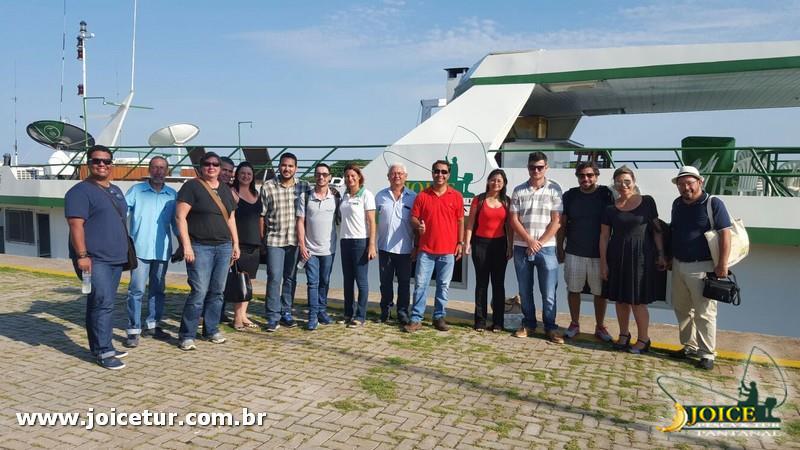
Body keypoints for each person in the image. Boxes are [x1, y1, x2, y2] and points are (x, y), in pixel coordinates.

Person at [65, 145, 130, 369]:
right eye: (96, 161)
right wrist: (82, 255)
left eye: (106, 161)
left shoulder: (116, 190)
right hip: (94, 259)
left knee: (102, 303)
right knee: (102, 303)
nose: (102, 164)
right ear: (89, 164)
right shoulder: (79, 192)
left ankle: (102, 345)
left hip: (115, 258)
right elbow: (76, 225)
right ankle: (103, 351)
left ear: (111, 164)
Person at [175, 152, 239, 350]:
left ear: (219, 168)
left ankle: (211, 329)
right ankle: (187, 334)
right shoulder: (191, 187)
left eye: (215, 164)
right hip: (200, 246)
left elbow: (231, 219)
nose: (211, 167)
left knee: (218, 291)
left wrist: (236, 244)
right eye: (207, 164)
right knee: (199, 292)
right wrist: (186, 245)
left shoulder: (225, 189)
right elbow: (180, 217)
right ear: (201, 167)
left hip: (223, 246)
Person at [669, 165, 731, 370]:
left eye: (689, 183)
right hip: (679, 263)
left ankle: (707, 353)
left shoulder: (713, 203)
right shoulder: (677, 203)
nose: (685, 187)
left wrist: (722, 264)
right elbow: (675, 230)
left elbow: (725, 234)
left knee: (704, 312)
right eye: (681, 184)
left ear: (700, 182)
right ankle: (690, 346)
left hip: (703, 266)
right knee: (682, 308)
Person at [599, 166, 667, 354]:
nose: (623, 185)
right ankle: (624, 334)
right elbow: (604, 237)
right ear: (614, 184)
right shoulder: (610, 208)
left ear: (634, 182)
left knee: (638, 301)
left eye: (627, 181)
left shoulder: (647, 202)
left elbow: (657, 230)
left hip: (641, 256)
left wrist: (661, 253)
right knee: (620, 300)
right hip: (617, 256)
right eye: (619, 182)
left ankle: (644, 339)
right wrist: (603, 263)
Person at [509, 152, 564, 343]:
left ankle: (550, 327)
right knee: (525, 291)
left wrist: (538, 242)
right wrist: (529, 241)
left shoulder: (555, 189)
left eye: (540, 167)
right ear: (528, 168)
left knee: (548, 292)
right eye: (533, 167)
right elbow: (513, 220)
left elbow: (556, 221)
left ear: (546, 167)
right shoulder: (518, 190)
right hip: (521, 247)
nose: (536, 170)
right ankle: (529, 324)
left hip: (547, 248)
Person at [556, 162, 615, 342]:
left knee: (600, 293)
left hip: (599, 254)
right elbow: (562, 224)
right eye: (581, 175)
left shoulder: (606, 194)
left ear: (596, 176)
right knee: (573, 290)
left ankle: (600, 326)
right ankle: (574, 323)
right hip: (574, 251)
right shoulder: (570, 196)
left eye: (590, 175)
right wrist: (560, 248)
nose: (586, 179)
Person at [405, 160, 465, 333]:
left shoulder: (456, 196)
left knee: (443, 286)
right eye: (437, 171)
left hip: (447, 251)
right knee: (420, 285)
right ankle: (416, 319)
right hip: (426, 250)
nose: (440, 175)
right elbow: (413, 218)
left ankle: (439, 317)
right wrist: (418, 225)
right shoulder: (422, 195)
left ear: (449, 174)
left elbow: (460, 221)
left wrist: (460, 243)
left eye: (444, 172)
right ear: (432, 173)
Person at [123, 156, 177, 348]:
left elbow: (177, 223)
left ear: (167, 171)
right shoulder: (137, 191)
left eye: (162, 168)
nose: (158, 171)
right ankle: (133, 329)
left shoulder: (172, 195)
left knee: (158, 289)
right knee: (136, 290)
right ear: (149, 169)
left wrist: (184, 244)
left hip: (162, 250)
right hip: (139, 249)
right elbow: (122, 214)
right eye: (155, 167)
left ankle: (153, 324)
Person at [260, 153, 309, 331]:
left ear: (296, 168)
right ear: (279, 166)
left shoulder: (304, 186)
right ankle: (272, 316)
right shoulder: (268, 186)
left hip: (295, 241)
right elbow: (262, 215)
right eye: (284, 165)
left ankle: (286, 312)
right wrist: (262, 239)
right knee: (274, 277)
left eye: (290, 166)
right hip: (275, 239)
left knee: (290, 278)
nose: (287, 169)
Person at [464, 168, 512, 332]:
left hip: (500, 245)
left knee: (498, 284)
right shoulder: (479, 200)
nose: (495, 183)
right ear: (488, 181)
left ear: (504, 183)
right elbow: (470, 223)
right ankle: (480, 321)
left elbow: (509, 227)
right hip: (480, 245)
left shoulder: (507, 201)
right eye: (493, 180)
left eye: (499, 181)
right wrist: (467, 243)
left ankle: (498, 322)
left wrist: (510, 246)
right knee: (481, 283)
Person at [297, 163, 340, 330]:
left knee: (325, 281)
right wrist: (302, 245)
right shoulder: (305, 196)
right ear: (314, 176)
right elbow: (300, 222)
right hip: (310, 250)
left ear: (329, 177)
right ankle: (313, 315)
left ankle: (322, 310)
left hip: (329, 249)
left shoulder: (335, 197)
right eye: (318, 174)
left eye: (324, 174)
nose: (321, 177)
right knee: (312, 283)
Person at [375, 163, 417, 325]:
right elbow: (373, 221)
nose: (396, 176)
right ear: (388, 177)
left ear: (406, 177)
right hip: (384, 247)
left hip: (405, 249)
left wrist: (416, 246)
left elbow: (417, 224)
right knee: (385, 283)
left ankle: (402, 312)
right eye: (393, 173)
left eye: (400, 173)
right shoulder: (380, 196)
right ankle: (385, 311)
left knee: (404, 284)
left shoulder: (413, 197)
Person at [339, 164, 377, 328]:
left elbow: (372, 222)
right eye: (347, 176)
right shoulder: (344, 195)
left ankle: (360, 316)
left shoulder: (366, 195)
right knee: (348, 281)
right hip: (345, 241)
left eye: (353, 176)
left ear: (359, 177)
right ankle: (348, 313)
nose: (350, 179)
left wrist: (371, 245)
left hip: (360, 241)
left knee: (361, 281)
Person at [227, 162, 264, 331]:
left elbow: (260, 219)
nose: (246, 176)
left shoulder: (256, 194)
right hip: (239, 243)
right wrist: (233, 243)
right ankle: (237, 318)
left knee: (249, 281)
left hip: (254, 243)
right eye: (242, 173)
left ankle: (243, 315)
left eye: (249, 173)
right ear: (237, 174)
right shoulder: (232, 193)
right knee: (239, 281)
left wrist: (262, 239)